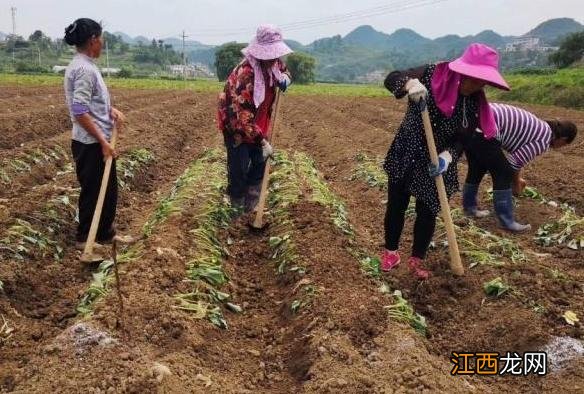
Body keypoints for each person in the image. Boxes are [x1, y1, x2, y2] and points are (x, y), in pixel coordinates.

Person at [381, 43, 509, 279]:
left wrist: (447, 156)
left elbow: (466, 137)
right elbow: (392, 78)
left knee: (428, 210)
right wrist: (410, 84)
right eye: (476, 79)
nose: (479, 85)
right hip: (407, 151)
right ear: (464, 71)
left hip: (437, 162)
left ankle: (416, 259)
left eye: (484, 81)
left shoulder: (472, 103)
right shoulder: (431, 74)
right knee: (396, 205)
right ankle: (391, 252)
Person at [462, 103, 578, 231]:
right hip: (485, 126)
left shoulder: (541, 127)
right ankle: (507, 222)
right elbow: (513, 163)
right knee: (503, 173)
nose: (560, 147)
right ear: (563, 138)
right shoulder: (544, 139)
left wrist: (517, 180)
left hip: (471, 123)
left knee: (477, 167)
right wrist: (516, 184)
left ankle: (470, 208)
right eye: (564, 144)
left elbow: (516, 160)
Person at [63, 18, 125, 250]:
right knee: (93, 191)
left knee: (107, 190)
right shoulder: (84, 70)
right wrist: (102, 141)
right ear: (93, 40)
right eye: (101, 39)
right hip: (90, 142)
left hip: (97, 139)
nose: (102, 43)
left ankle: (105, 234)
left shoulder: (86, 65)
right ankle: (85, 239)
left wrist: (110, 110)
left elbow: (89, 103)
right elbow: (79, 110)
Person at [217, 24, 292, 213]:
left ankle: (251, 210)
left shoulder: (274, 64)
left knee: (259, 165)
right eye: (271, 54)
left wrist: (285, 78)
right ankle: (236, 211)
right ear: (260, 53)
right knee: (239, 170)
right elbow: (242, 119)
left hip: (259, 123)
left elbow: (284, 70)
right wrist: (263, 142)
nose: (275, 59)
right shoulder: (246, 76)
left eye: (276, 55)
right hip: (238, 129)